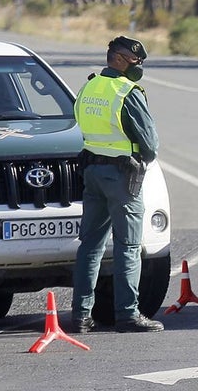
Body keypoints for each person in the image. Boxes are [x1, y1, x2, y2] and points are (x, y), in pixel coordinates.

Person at [70, 36, 164, 334]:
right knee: (129, 246)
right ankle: (128, 314)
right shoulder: (127, 91)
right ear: (121, 59)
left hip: (92, 173)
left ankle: (81, 316)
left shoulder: (89, 86)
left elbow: (78, 123)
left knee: (90, 247)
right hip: (122, 177)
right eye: (137, 61)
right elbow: (150, 144)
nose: (140, 67)